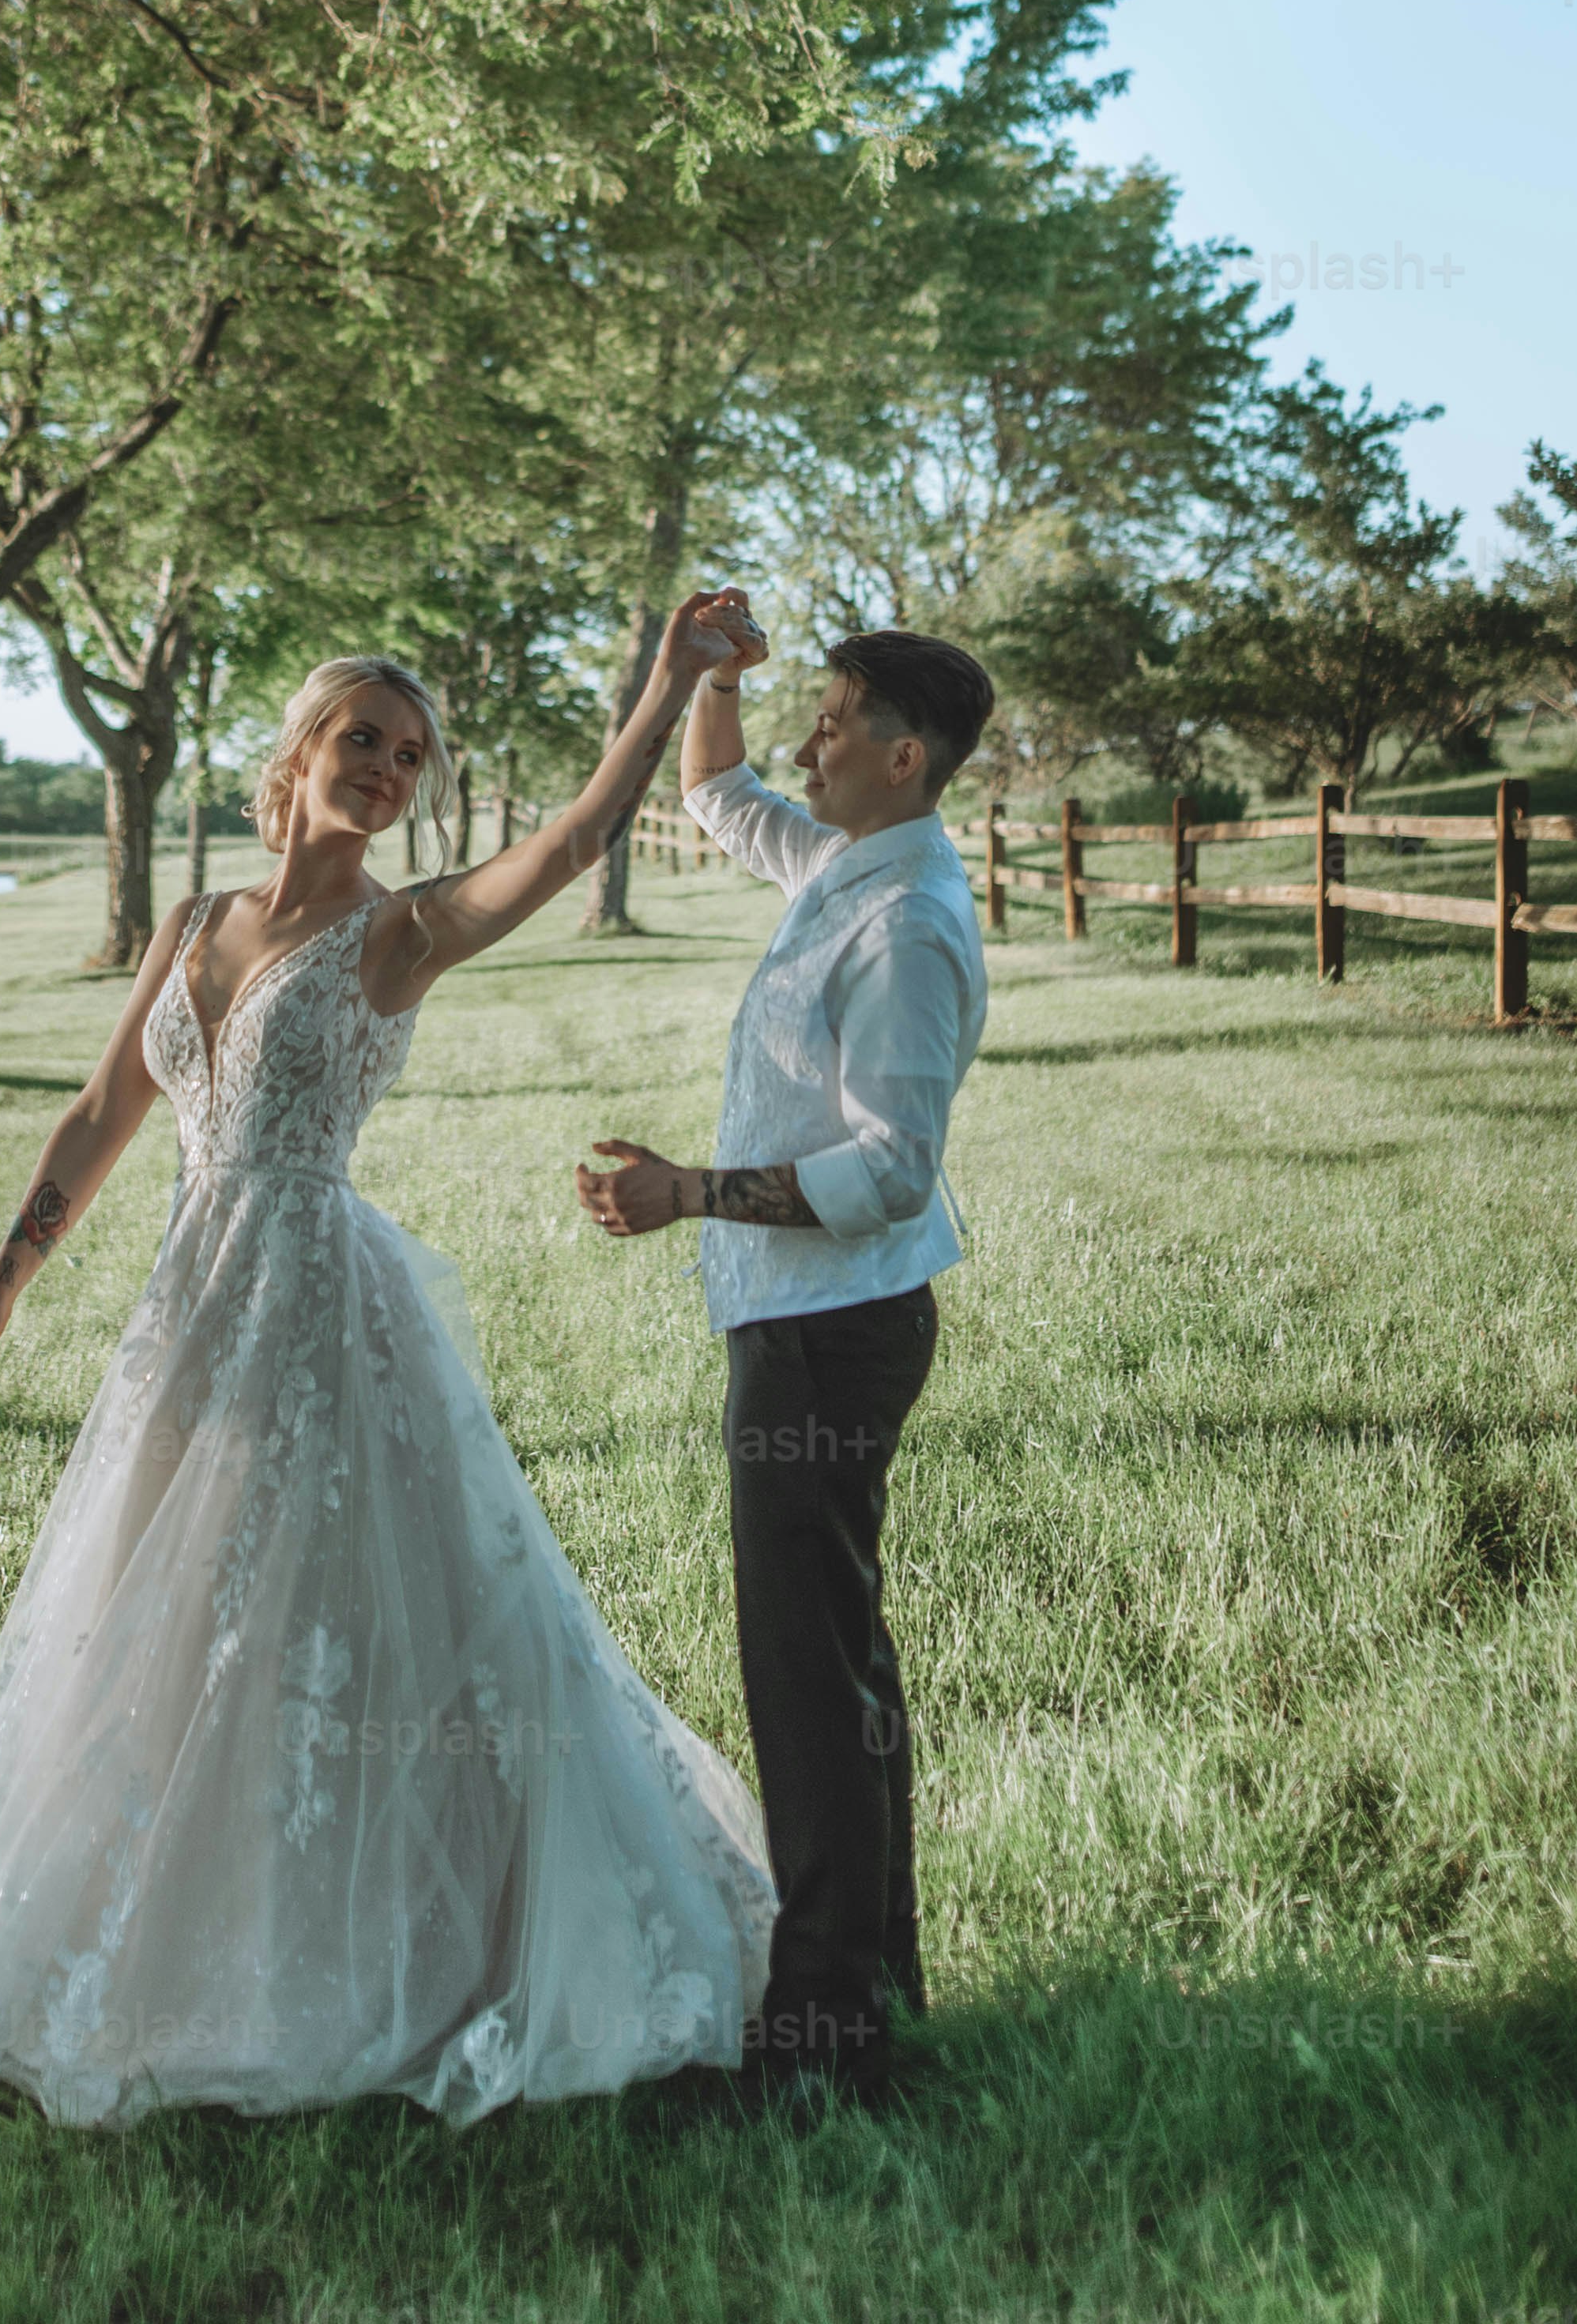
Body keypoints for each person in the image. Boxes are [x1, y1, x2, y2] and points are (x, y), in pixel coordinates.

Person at [0, 598, 777, 2130]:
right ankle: (174, 1933)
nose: (389, 770)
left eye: (412, 757)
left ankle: (410, 1941)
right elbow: (104, 1114)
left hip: (320, 1313)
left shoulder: (400, 930)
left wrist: (673, 678)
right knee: (156, 1627)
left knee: (346, 1624)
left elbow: (563, 845)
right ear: (300, 749)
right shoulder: (197, 920)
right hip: (188, 1310)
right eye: (366, 738)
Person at [574, 622, 991, 2111]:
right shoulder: (844, 867)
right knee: (840, 1661)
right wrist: (718, 676)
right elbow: (716, 795)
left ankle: (819, 2043)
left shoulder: (910, 925)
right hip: (799, 1321)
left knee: (807, 1677)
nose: (807, 750)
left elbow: (888, 1166)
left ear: (902, 759)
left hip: (830, 1333)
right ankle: (875, 1982)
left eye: (833, 726)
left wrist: (692, 1190)